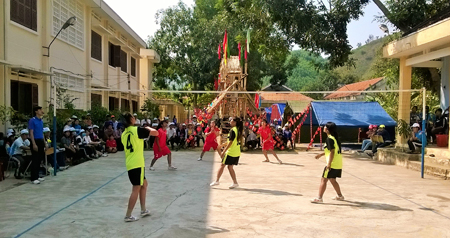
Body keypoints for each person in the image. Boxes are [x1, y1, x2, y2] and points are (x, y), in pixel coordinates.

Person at [121, 112, 159, 222]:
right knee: (136, 188)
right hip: (137, 163)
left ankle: (143, 209)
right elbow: (155, 133)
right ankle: (128, 215)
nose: (135, 118)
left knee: (144, 184)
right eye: (133, 117)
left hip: (131, 163)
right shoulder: (136, 130)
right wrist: (147, 127)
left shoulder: (124, 134)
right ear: (131, 120)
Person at [311, 122, 344, 203]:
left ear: (328, 129)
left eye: (325, 126)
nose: (323, 127)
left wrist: (329, 164)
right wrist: (321, 154)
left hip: (332, 164)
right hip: (338, 163)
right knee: (332, 179)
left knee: (323, 180)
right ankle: (340, 196)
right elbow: (332, 151)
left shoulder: (329, 139)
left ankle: (319, 198)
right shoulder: (334, 138)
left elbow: (332, 152)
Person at [210, 117, 243, 189]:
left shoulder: (233, 130)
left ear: (235, 122)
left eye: (231, 120)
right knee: (230, 167)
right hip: (236, 152)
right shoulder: (237, 130)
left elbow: (230, 143)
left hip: (231, 152)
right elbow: (230, 141)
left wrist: (223, 151)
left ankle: (217, 181)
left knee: (222, 165)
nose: (230, 121)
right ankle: (235, 182)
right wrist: (222, 145)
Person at [28, 106, 47, 185]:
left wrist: (45, 143)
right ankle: (33, 178)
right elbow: (31, 132)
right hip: (35, 140)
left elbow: (42, 132)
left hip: (40, 140)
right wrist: (33, 143)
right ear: (36, 111)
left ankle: (37, 175)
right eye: (40, 110)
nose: (42, 111)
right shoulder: (32, 120)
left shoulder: (41, 121)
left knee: (39, 159)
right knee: (35, 159)